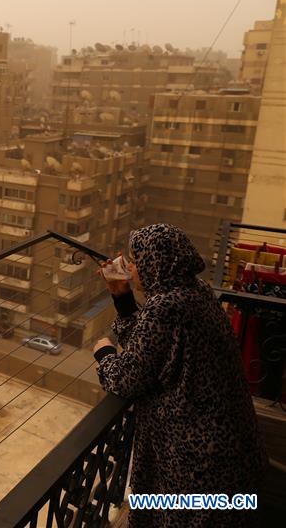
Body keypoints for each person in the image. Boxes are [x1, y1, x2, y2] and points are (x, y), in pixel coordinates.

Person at [92, 224, 266, 528]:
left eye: (136, 259)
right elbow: (154, 349)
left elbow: (128, 377)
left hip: (197, 461)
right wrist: (122, 297)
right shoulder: (194, 291)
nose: (131, 266)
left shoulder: (166, 306)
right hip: (227, 450)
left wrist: (104, 354)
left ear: (155, 262)